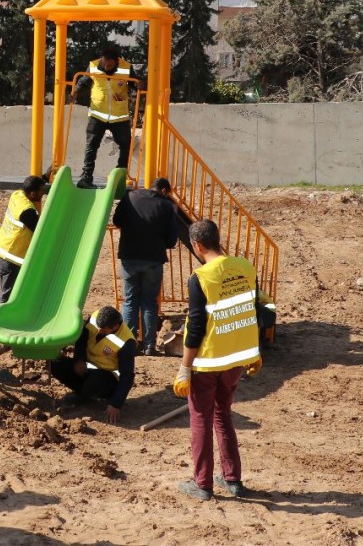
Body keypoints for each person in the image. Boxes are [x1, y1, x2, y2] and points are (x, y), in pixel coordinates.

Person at [173, 219, 262, 502]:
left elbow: (196, 326)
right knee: (223, 415)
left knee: (201, 419)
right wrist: (254, 351)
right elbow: (252, 311)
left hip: (208, 362)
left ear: (197, 246)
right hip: (236, 360)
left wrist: (185, 368)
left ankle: (203, 485)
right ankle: (232, 479)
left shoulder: (201, 278)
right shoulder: (246, 268)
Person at [113, 177, 184, 355]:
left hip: (129, 257)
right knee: (149, 302)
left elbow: (117, 220)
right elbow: (171, 240)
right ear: (165, 191)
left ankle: (128, 345)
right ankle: (149, 345)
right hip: (153, 260)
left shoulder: (129, 197)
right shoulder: (167, 206)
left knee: (130, 301)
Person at [48, 305, 136, 424]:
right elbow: (82, 339)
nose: (99, 331)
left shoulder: (127, 341)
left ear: (115, 326)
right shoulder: (94, 318)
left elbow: (127, 376)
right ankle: (83, 393)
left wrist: (116, 403)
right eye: (99, 327)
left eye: (104, 330)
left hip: (107, 377)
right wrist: (79, 359)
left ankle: (84, 395)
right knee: (55, 364)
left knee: (96, 381)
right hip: (87, 368)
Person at [74, 45, 134, 188]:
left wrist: (141, 86)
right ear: (102, 60)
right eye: (105, 64)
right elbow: (84, 81)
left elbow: (135, 83)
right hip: (97, 114)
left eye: (111, 65)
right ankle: (86, 177)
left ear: (117, 62)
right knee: (91, 145)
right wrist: (76, 92)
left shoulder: (126, 67)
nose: (107, 67)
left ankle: (121, 174)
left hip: (119, 116)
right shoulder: (94, 66)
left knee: (125, 144)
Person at [0, 175, 47, 304]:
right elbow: (40, 230)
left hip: (4, 249)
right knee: (7, 292)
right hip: (12, 256)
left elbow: (31, 183)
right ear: (33, 194)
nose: (43, 193)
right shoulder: (28, 211)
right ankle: (0, 318)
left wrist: (45, 175)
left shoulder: (17, 194)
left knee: (11, 289)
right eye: (41, 191)